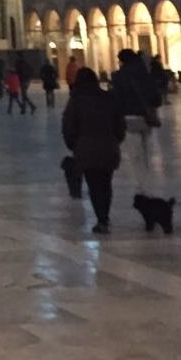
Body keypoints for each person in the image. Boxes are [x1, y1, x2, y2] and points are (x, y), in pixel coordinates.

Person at [62, 66, 127, 234]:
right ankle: (105, 216)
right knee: (106, 184)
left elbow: (68, 127)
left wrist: (74, 145)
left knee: (94, 185)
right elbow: (120, 125)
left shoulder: (76, 101)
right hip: (109, 148)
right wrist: (115, 140)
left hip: (86, 149)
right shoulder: (109, 98)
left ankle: (101, 220)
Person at [110, 49, 161, 199]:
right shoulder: (145, 74)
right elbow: (155, 97)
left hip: (130, 119)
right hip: (146, 119)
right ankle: (144, 185)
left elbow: (117, 100)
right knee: (144, 153)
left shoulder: (118, 76)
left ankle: (145, 188)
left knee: (136, 156)